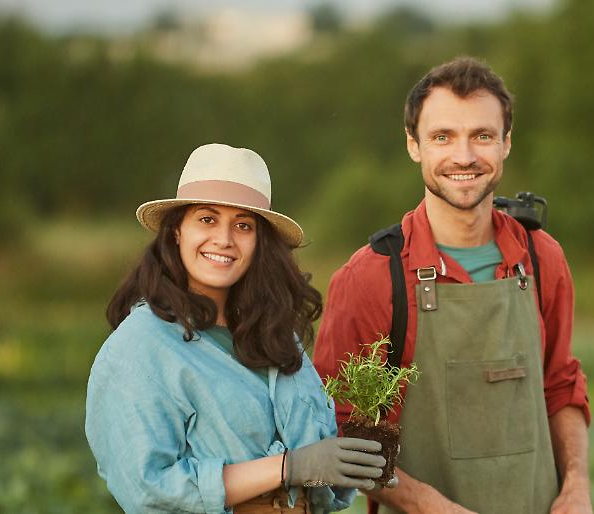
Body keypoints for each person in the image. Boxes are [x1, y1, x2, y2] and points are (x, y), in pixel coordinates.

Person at [313, 58, 592, 514]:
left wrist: (577, 487)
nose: (464, 156)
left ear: (506, 144)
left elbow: (560, 386)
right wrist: (428, 505)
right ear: (414, 146)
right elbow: (342, 429)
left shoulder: (542, 259)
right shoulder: (371, 276)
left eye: (481, 136)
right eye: (443, 137)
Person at [85, 143, 391, 514]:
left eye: (243, 225)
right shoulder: (138, 347)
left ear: (259, 241)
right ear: (177, 231)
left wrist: (346, 463)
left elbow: (317, 476)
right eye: (207, 219)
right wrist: (287, 467)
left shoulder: (276, 336)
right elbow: (148, 488)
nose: (225, 239)